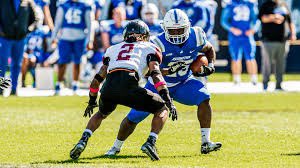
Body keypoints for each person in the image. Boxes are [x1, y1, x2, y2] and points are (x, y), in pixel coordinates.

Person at [105, 9, 222, 158]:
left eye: (180, 29)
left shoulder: (197, 35)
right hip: (157, 86)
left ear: (188, 27)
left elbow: (209, 49)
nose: (177, 34)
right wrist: (167, 70)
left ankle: (206, 142)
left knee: (204, 98)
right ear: (165, 29)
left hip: (183, 83)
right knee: (133, 118)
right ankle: (115, 147)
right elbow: (147, 72)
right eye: (173, 31)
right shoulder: (156, 43)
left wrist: (211, 65)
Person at [69, 20, 177, 161]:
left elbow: (98, 78)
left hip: (109, 87)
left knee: (101, 113)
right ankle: (151, 142)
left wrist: (91, 101)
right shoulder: (149, 47)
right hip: (129, 85)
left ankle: (83, 140)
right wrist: (167, 99)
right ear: (144, 35)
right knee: (162, 109)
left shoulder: (113, 49)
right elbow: (155, 74)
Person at [51, 0, 94, 95]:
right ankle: (58, 85)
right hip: (65, 38)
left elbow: (90, 24)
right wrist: (53, 37)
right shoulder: (63, 4)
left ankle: (75, 85)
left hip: (80, 38)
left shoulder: (85, 5)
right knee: (62, 62)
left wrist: (90, 40)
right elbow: (58, 22)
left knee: (77, 62)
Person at [0, 0, 40, 96]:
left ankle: (14, 89)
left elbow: (36, 19)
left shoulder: (28, 2)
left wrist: (27, 30)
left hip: (20, 39)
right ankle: (1, 88)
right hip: (5, 38)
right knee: (2, 63)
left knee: (17, 64)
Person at [259, 0, 297, 91]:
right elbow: (262, 18)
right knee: (267, 64)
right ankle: (265, 85)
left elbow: (290, 21)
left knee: (281, 64)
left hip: (282, 41)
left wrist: (293, 33)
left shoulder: (284, 5)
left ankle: (279, 85)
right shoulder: (266, 5)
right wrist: (274, 17)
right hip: (268, 40)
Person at [221, 0, 259, 85]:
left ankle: (254, 79)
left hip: (247, 35)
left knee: (251, 57)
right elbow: (223, 21)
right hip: (235, 36)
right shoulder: (230, 4)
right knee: (235, 57)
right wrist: (232, 29)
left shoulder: (250, 3)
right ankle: (236, 79)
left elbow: (256, 19)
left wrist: (253, 29)